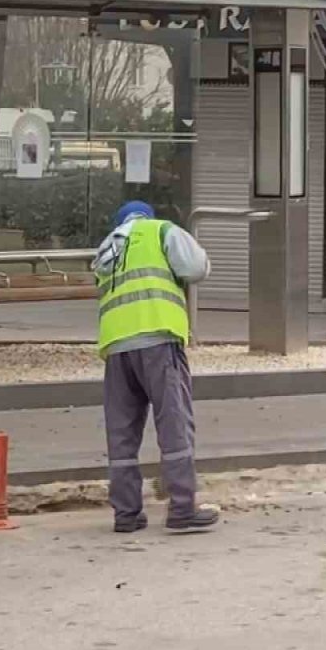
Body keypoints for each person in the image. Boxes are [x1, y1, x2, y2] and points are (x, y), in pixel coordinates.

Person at [93, 200, 219, 534]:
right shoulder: (160, 230)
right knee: (174, 422)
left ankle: (126, 513)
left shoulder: (109, 247)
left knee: (122, 434)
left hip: (116, 349)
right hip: (157, 340)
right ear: (145, 216)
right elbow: (196, 268)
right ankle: (182, 508)